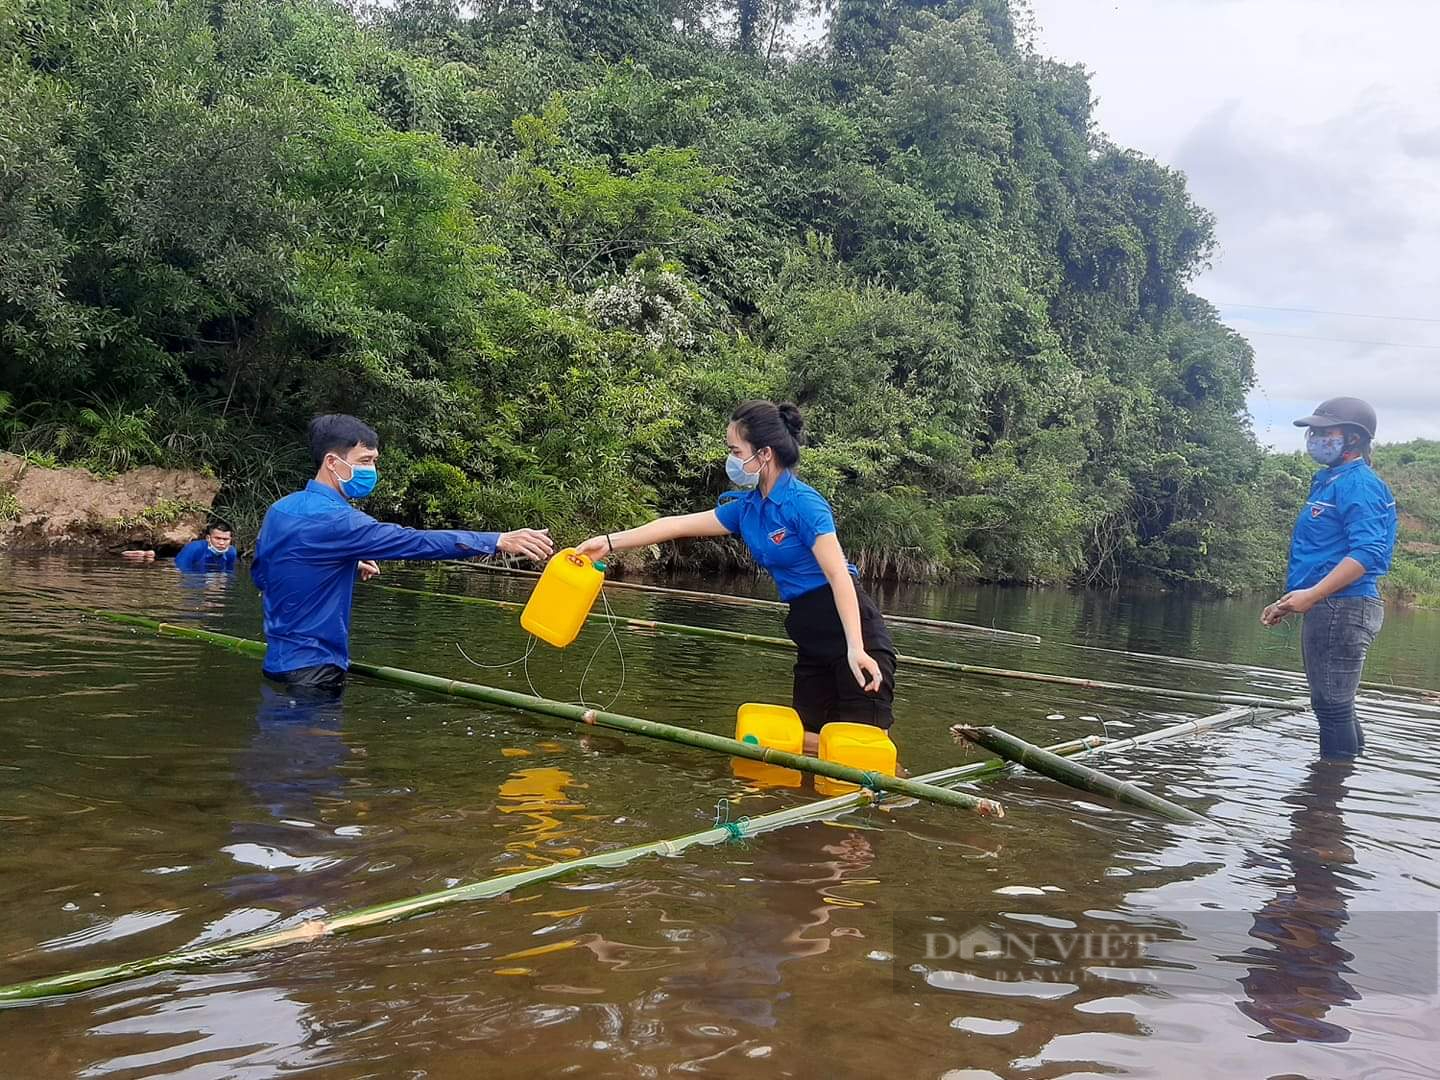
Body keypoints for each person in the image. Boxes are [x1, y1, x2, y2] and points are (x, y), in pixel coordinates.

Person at [578, 400, 895, 754]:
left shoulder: (803, 504)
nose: (730, 459)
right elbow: (675, 525)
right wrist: (607, 542)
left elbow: (838, 575)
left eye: (734, 450)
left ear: (764, 454)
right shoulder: (748, 509)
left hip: (852, 629)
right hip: (810, 635)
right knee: (805, 745)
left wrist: (856, 647)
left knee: (864, 751)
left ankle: (901, 802)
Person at [251, 414, 553, 693]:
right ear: (332, 462)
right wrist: (496, 539)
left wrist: (341, 561)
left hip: (276, 664)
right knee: (317, 748)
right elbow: (414, 542)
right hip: (315, 670)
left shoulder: (280, 510)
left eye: (374, 461)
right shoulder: (340, 521)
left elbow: (264, 575)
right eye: (365, 460)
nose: (372, 470)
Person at [1261, 397, 1397, 759]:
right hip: (1333, 604)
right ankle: (1336, 792)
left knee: (1332, 706)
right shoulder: (1330, 481)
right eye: (1313, 431)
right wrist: (1293, 600)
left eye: (1324, 431)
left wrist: (1314, 595)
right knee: (1334, 706)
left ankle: (1324, 805)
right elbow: (1323, 554)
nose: (1314, 437)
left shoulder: (1359, 484)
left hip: (1344, 606)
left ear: (1353, 439)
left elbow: (1367, 553)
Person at [121, 522, 237, 570]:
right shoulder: (194, 548)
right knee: (160, 560)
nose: (222, 543)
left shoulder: (231, 552)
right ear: (208, 538)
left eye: (225, 539)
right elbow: (181, 568)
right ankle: (148, 553)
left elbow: (228, 571)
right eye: (217, 538)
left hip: (197, 563)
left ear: (230, 540)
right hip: (175, 560)